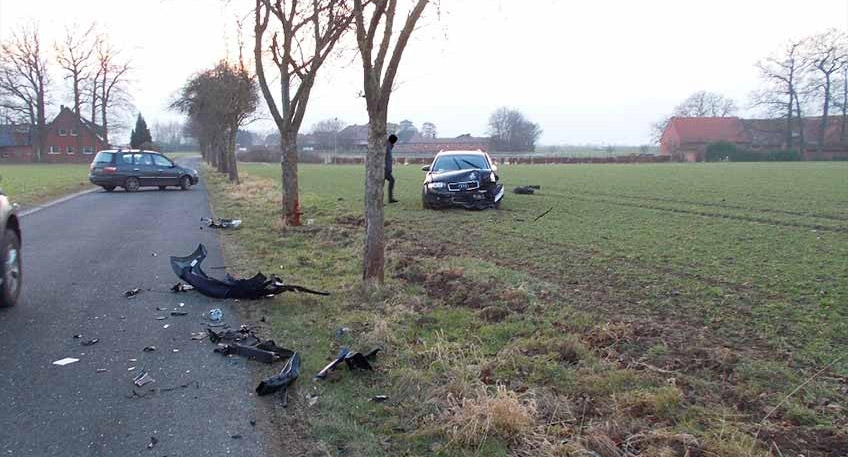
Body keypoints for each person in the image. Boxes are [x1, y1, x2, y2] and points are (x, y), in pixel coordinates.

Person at [385, 134, 399, 203]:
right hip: (385, 169)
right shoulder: (387, 147)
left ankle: (390, 198)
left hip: (386, 169)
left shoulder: (388, 146)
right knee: (392, 180)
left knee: (390, 181)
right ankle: (390, 199)